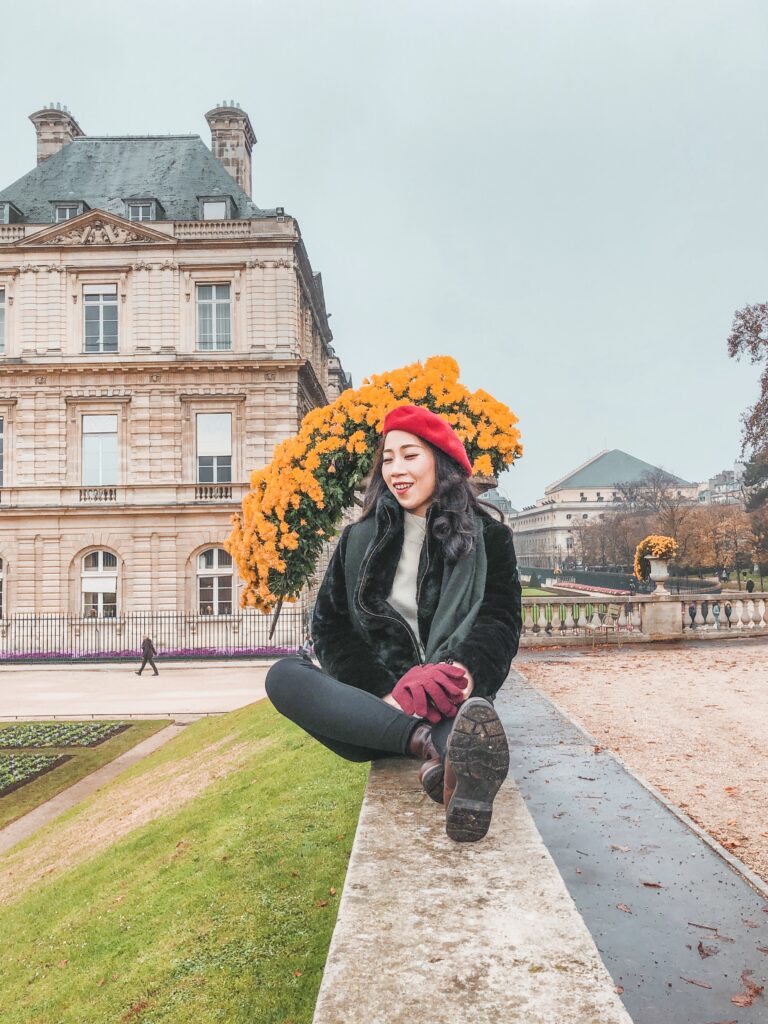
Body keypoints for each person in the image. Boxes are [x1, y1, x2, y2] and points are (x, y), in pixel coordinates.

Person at [266, 405, 522, 843]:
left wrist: (459, 673)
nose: (395, 469)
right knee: (283, 675)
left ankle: (451, 764)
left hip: (451, 700)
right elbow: (331, 628)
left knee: (466, 724)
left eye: (410, 455)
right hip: (376, 707)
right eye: (387, 458)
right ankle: (424, 744)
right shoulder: (357, 539)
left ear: (440, 462)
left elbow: (500, 621)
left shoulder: (489, 537)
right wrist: (386, 692)